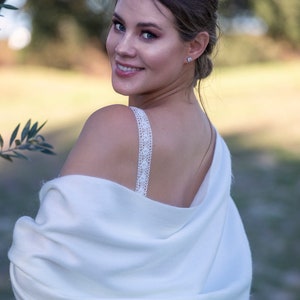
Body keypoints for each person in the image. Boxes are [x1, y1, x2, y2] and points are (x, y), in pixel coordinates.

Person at [8, 0, 252, 299]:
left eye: (148, 34)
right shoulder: (215, 145)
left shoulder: (115, 127)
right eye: (119, 25)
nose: (122, 47)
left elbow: (38, 272)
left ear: (195, 46)